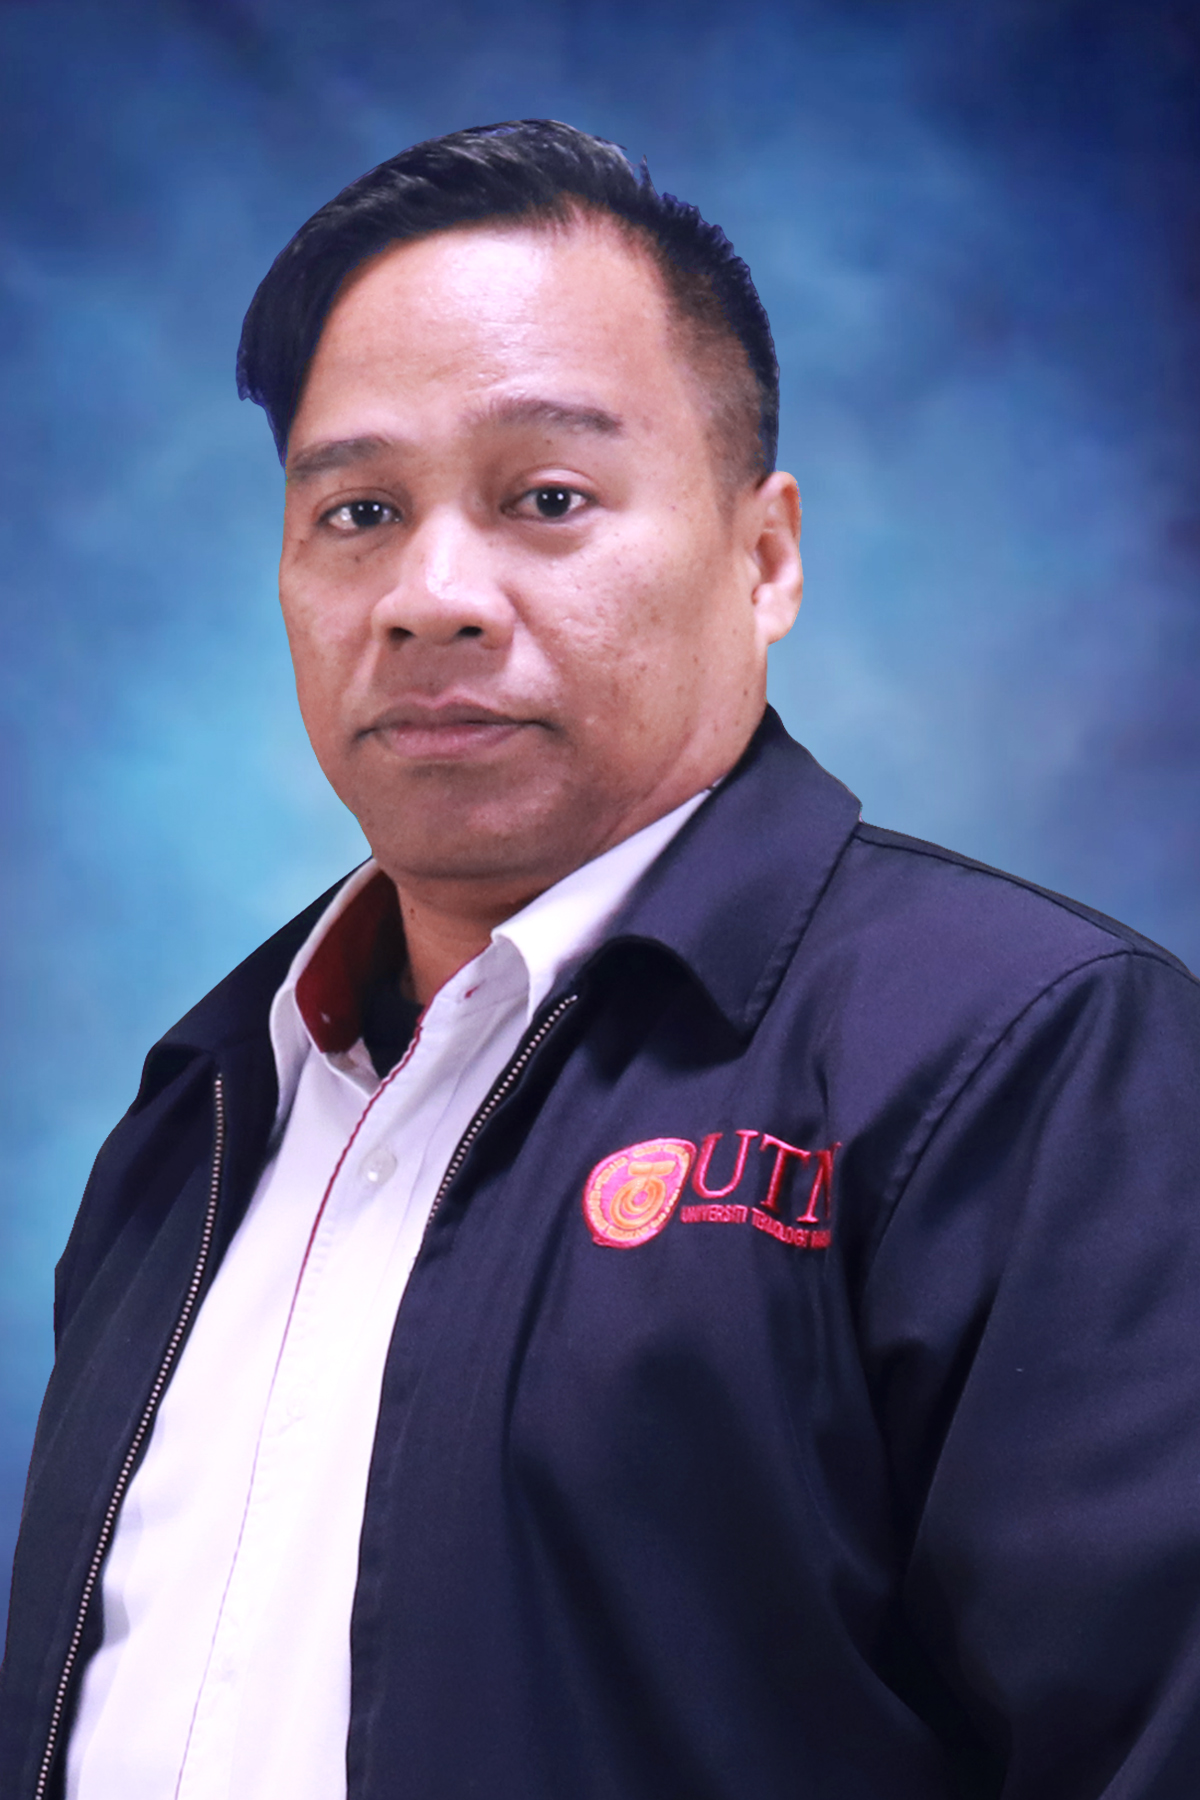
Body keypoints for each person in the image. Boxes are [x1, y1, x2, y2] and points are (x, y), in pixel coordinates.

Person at [2, 119, 1199, 1800]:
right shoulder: (194, 1124)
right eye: (358, 510)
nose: (429, 595)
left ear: (763, 556)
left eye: (547, 498)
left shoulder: (1027, 1060)